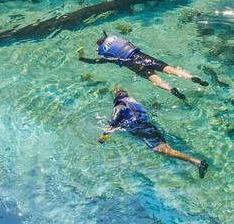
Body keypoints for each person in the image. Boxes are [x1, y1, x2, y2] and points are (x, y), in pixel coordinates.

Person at [100, 88, 208, 178]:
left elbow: (113, 123)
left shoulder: (119, 105)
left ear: (117, 97)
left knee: (161, 150)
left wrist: (103, 138)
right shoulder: (135, 103)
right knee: (166, 149)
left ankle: (197, 163)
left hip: (140, 129)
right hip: (149, 126)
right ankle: (188, 167)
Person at [80, 33, 208, 100]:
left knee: (157, 81)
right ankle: (190, 77)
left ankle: (170, 89)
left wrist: (82, 58)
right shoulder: (118, 40)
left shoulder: (108, 56)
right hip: (143, 58)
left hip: (135, 67)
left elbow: (95, 61)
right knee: (171, 70)